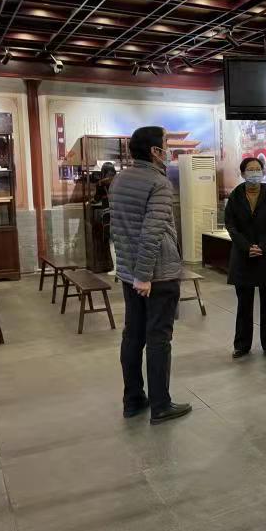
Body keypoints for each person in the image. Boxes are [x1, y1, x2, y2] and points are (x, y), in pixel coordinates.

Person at [109, 126, 191, 425]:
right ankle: (161, 405)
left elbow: (120, 231)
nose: (169, 149)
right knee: (158, 339)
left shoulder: (120, 179)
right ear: (155, 151)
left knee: (133, 335)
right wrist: (144, 276)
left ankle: (133, 400)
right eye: (166, 144)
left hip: (130, 273)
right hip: (156, 275)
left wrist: (133, 273)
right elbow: (152, 232)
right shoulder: (159, 182)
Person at [225, 157, 266, 359]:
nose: (254, 172)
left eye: (258, 169)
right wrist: (246, 247)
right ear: (243, 173)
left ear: (263, 172)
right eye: (250, 169)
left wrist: (263, 246)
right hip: (243, 256)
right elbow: (230, 224)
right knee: (244, 303)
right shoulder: (236, 195)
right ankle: (242, 345)